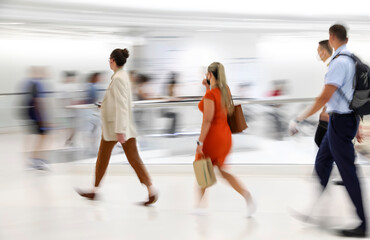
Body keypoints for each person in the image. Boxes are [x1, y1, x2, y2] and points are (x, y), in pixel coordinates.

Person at [289, 24, 367, 237]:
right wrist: (357, 121)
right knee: (322, 161)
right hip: (340, 121)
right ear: (347, 39)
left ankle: (362, 223)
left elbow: (325, 97)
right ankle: (315, 208)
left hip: (341, 123)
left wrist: (300, 117)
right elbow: (352, 95)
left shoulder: (338, 63)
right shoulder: (351, 59)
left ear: (331, 37)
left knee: (347, 172)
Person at [77, 48, 158, 205]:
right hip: (117, 127)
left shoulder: (119, 79)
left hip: (117, 128)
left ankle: (151, 190)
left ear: (113, 60)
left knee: (127, 159)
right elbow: (121, 102)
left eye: (109, 59)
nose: (109, 62)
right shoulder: (123, 76)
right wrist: (105, 105)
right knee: (106, 158)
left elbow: (122, 105)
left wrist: (120, 130)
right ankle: (95, 190)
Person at [196, 62, 256, 217]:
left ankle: (199, 206)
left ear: (210, 75)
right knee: (220, 170)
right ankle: (246, 196)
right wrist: (207, 87)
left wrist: (200, 142)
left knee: (204, 168)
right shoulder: (226, 90)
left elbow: (208, 120)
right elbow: (217, 108)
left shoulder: (210, 95)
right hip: (225, 136)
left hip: (213, 137)